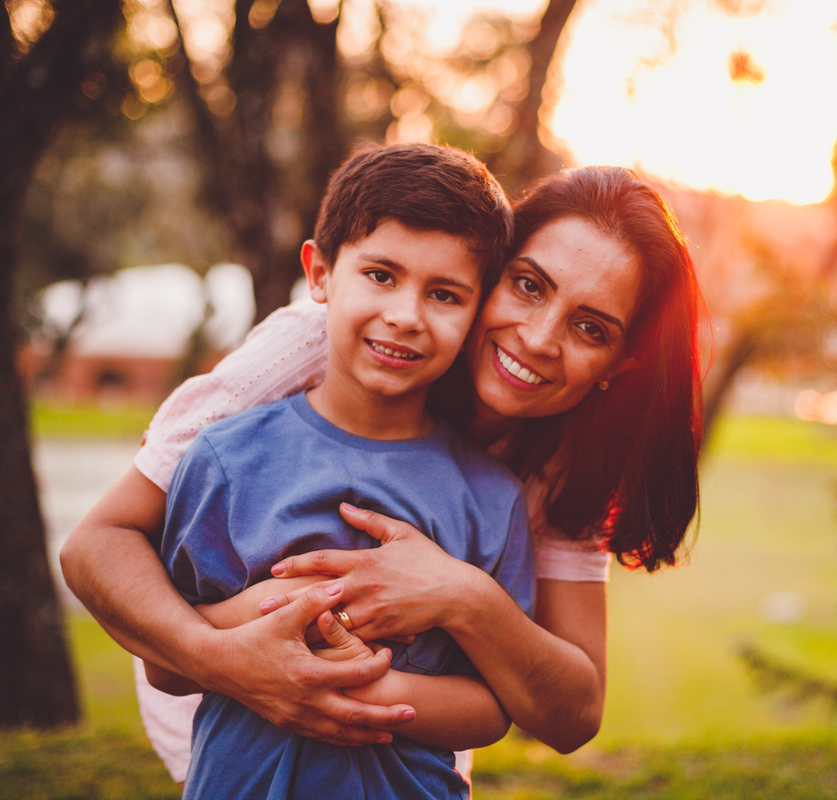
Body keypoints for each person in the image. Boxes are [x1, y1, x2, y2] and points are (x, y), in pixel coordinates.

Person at [60, 162, 705, 780]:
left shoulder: (567, 462)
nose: (538, 338)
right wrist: (224, 658)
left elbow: (573, 713)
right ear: (490, 274)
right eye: (529, 286)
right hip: (233, 735)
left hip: (401, 761)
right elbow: (97, 546)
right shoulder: (327, 342)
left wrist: (463, 596)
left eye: (590, 328)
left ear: (620, 365)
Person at [145, 142, 532, 799]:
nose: (405, 315)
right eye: (381, 275)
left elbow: (493, 710)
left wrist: (365, 685)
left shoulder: (490, 497)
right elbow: (165, 666)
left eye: (444, 294)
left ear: (476, 315)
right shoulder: (226, 460)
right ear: (320, 273)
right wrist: (286, 614)